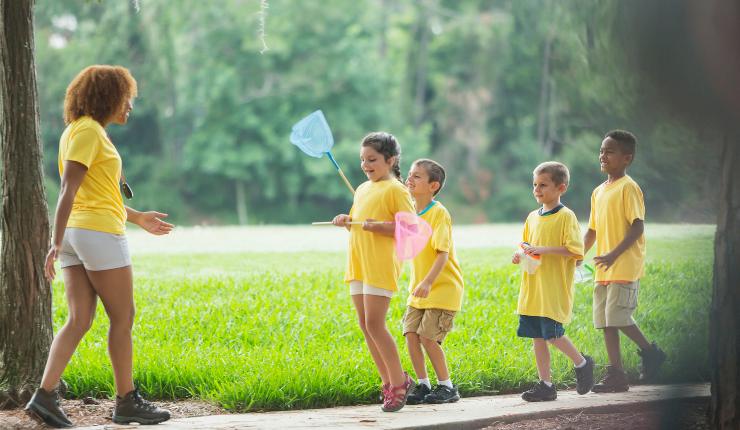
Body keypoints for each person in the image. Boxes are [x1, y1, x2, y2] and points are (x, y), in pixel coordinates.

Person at [25, 65, 173, 428]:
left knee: (79, 320)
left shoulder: (78, 131)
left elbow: (98, 194)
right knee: (123, 318)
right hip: (97, 235)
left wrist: (136, 216)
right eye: (126, 99)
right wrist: (53, 242)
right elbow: (67, 190)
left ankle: (44, 396)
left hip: (81, 234)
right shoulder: (90, 132)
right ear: (108, 97)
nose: (130, 107)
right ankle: (126, 401)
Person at [332, 132, 415, 412]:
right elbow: (358, 222)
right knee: (365, 325)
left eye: (372, 159)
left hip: (380, 264)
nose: (366, 165)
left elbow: (410, 228)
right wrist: (346, 220)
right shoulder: (364, 188)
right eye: (362, 160)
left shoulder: (397, 190)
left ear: (390, 160)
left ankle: (399, 384)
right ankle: (391, 381)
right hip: (358, 262)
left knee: (376, 325)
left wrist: (379, 226)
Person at [584, 130, 666, 393]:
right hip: (603, 267)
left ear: (627, 158)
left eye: (610, 151)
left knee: (619, 317)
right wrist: (577, 257)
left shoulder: (629, 187)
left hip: (623, 263)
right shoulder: (598, 192)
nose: (603, 155)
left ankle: (650, 352)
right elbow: (592, 230)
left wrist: (613, 255)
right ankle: (616, 375)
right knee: (606, 322)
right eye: (601, 150)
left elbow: (637, 227)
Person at [513, 161, 595, 402]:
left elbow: (574, 250)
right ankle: (546, 385)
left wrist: (542, 249)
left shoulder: (566, 216)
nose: (537, 189)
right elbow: (527, 245)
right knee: (537, 337)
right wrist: (520, 254)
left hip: (553, 288)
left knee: (553, 335)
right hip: (532, 288)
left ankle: (582, 363)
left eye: (543, 185)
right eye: (535, 185)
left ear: (561, 188)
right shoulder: (532, 217)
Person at [402, 159, 464, 405]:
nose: (410, 179)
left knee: (428, 337)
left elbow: (443, 254)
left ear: (433, 185)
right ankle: (423, 384)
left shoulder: (439, 213)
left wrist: (428, 282)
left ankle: (447, 386)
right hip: (418, 289)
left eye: (417, 176)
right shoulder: (410, 212)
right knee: (410, 334)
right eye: (410, 174)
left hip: (442, 288)